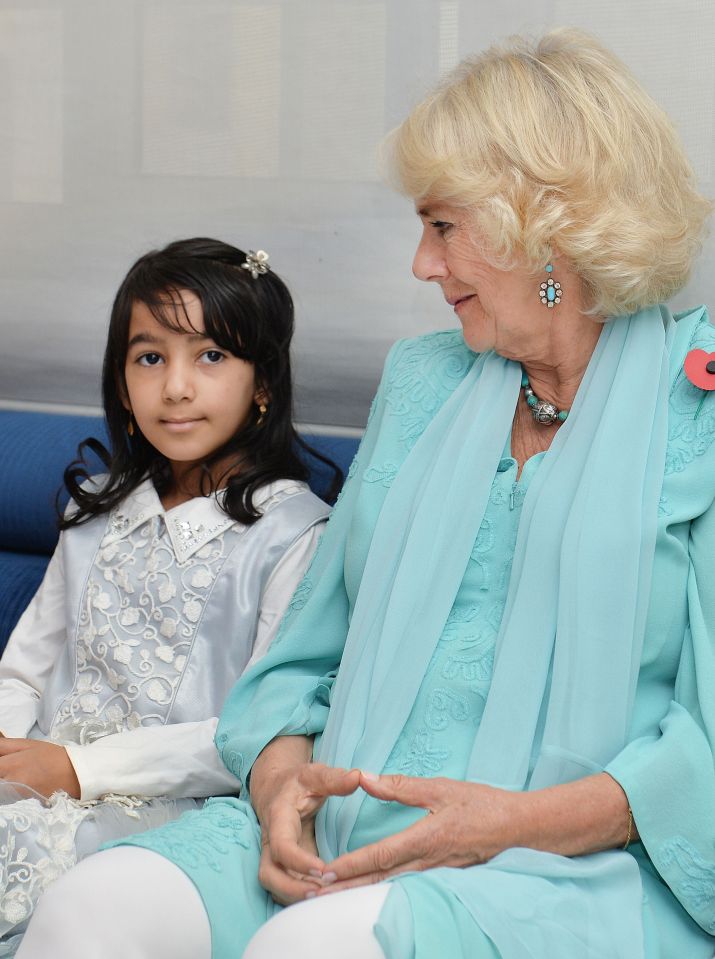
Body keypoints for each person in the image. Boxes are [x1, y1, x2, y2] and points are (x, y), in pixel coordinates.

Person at [18, 29, 715, 959]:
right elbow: (294, 667)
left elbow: (701, 746)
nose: (421, 267)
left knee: (313, 948)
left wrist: (506, 824)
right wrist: (277, 793)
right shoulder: (423, 380)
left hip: (564, 868)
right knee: (88, 908)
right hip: (332, 837)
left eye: (441, 227)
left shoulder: (695, 405)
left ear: (543, 224)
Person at [0, 237, 332, 954]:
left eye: (210, 355)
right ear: (122, 384)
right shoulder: (94, 511)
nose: (176, 386)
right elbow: (24, 666)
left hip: (166, 809)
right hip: (35, 778)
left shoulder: (292, 534)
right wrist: (10, 749)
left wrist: (80, 768)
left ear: (263, 381)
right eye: (150, 357)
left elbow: (257, 725)